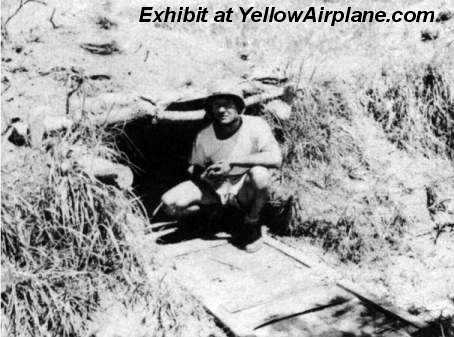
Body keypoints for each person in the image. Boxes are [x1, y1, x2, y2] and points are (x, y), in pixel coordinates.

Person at [161, 84, 282, 252]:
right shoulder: (204, 136)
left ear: (239, 107)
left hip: (244, 185)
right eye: (217, 105)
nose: (222, 110)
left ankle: (252, 223)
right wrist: (205, 176)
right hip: (217, 187)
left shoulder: (256, 125)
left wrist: (232, 163)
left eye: (228, 104)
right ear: (211, 109)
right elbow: (194, 168)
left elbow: (276, 158)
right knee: (169, 204)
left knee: (260, 175)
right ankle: (216, 214)